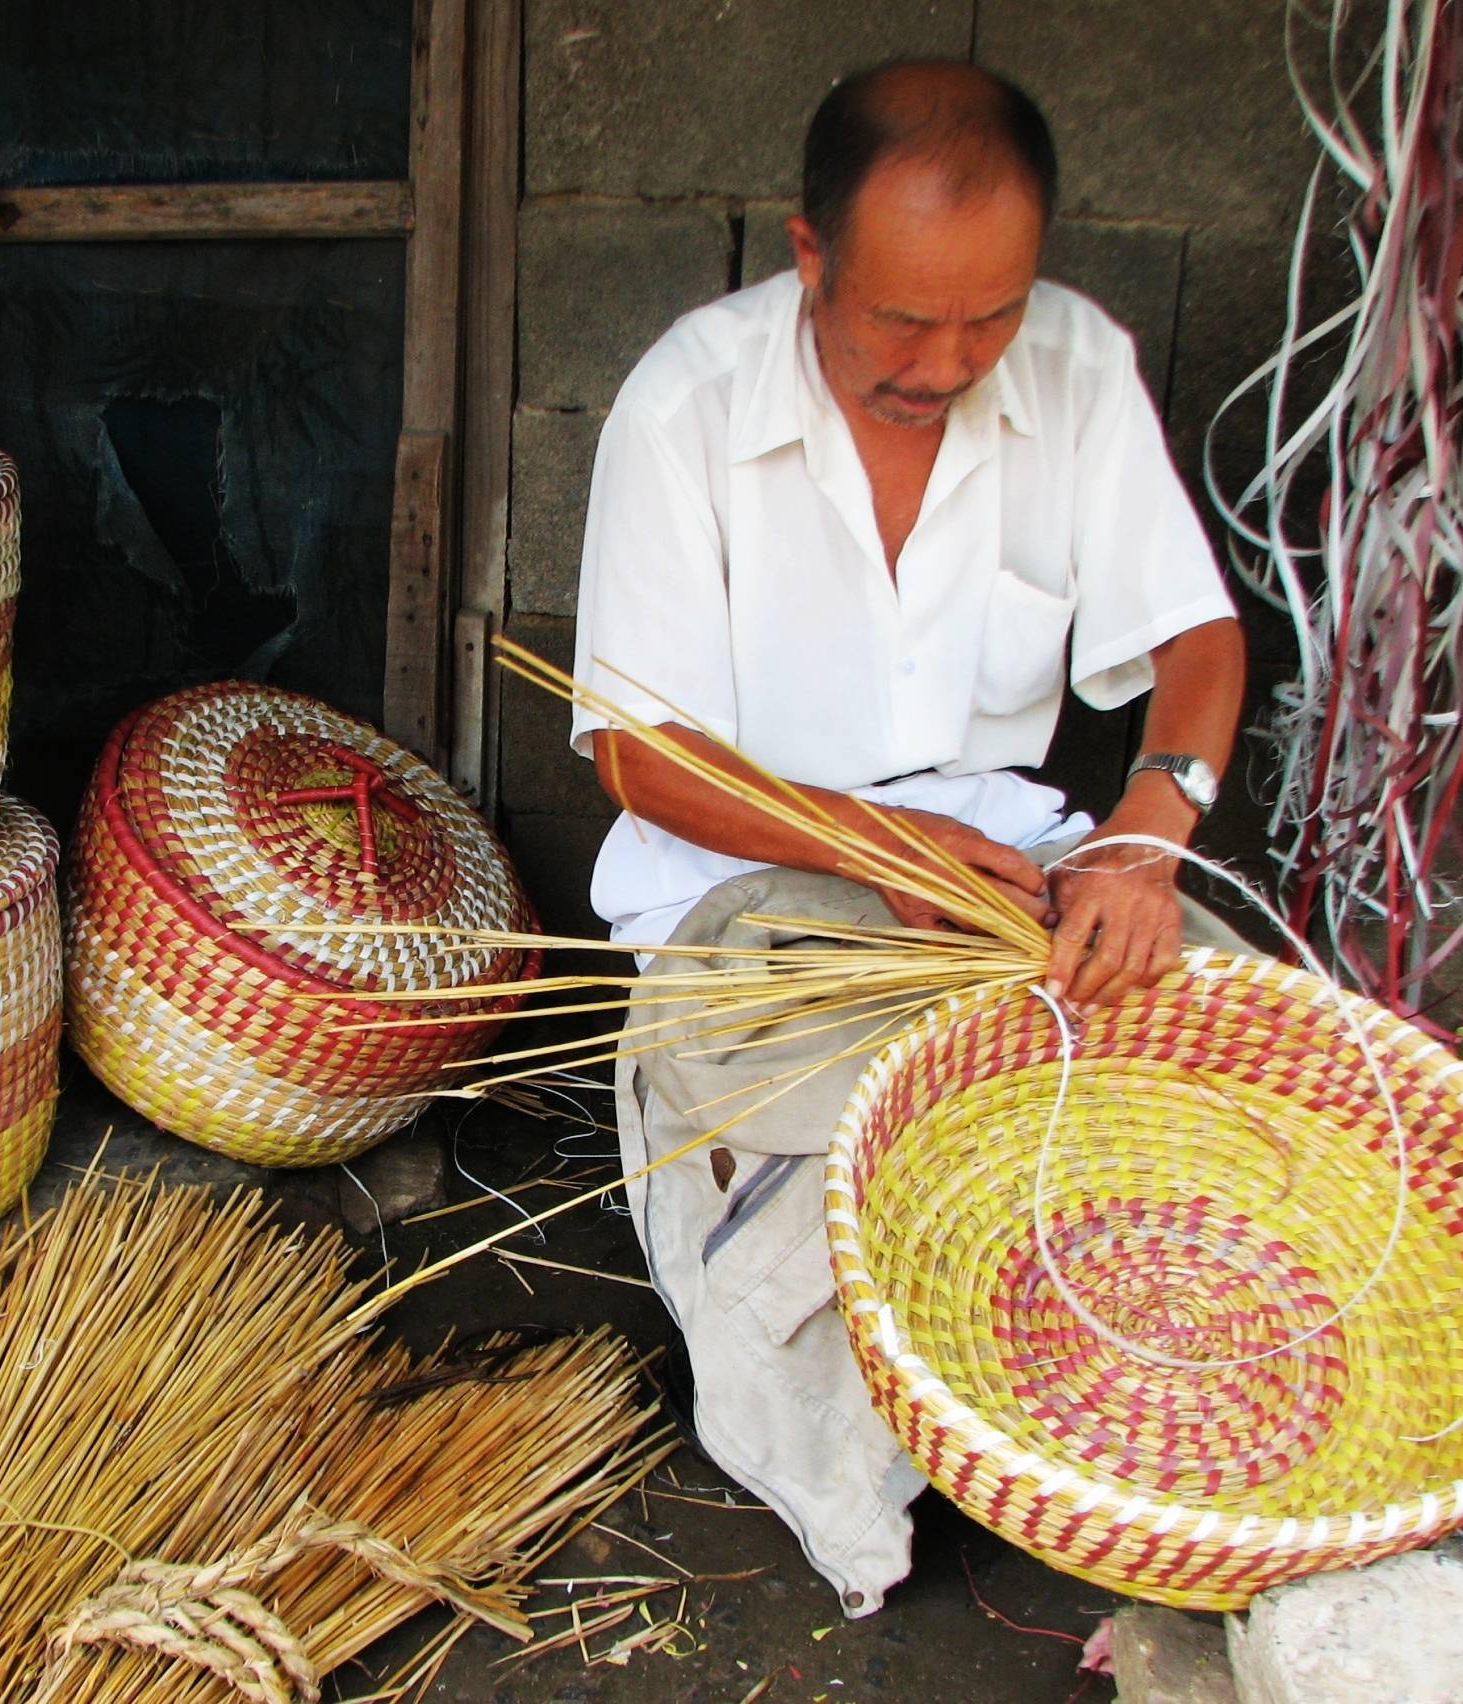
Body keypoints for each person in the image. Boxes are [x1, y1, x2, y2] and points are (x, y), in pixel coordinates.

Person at [567, 59, 1250, 1615]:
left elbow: (1198, 641)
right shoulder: (690, 403)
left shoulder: (1077, 364)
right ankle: (917, 1441)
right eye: (900, 320)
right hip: (752, 871)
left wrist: (1151, 830)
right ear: (810, 257)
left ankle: (1126, 1426)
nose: (949, 363)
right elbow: (633, 751)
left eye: (989, 317)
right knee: (867, 1165)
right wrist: (878, 851)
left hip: (1004, 851)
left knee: (1206, 1079)